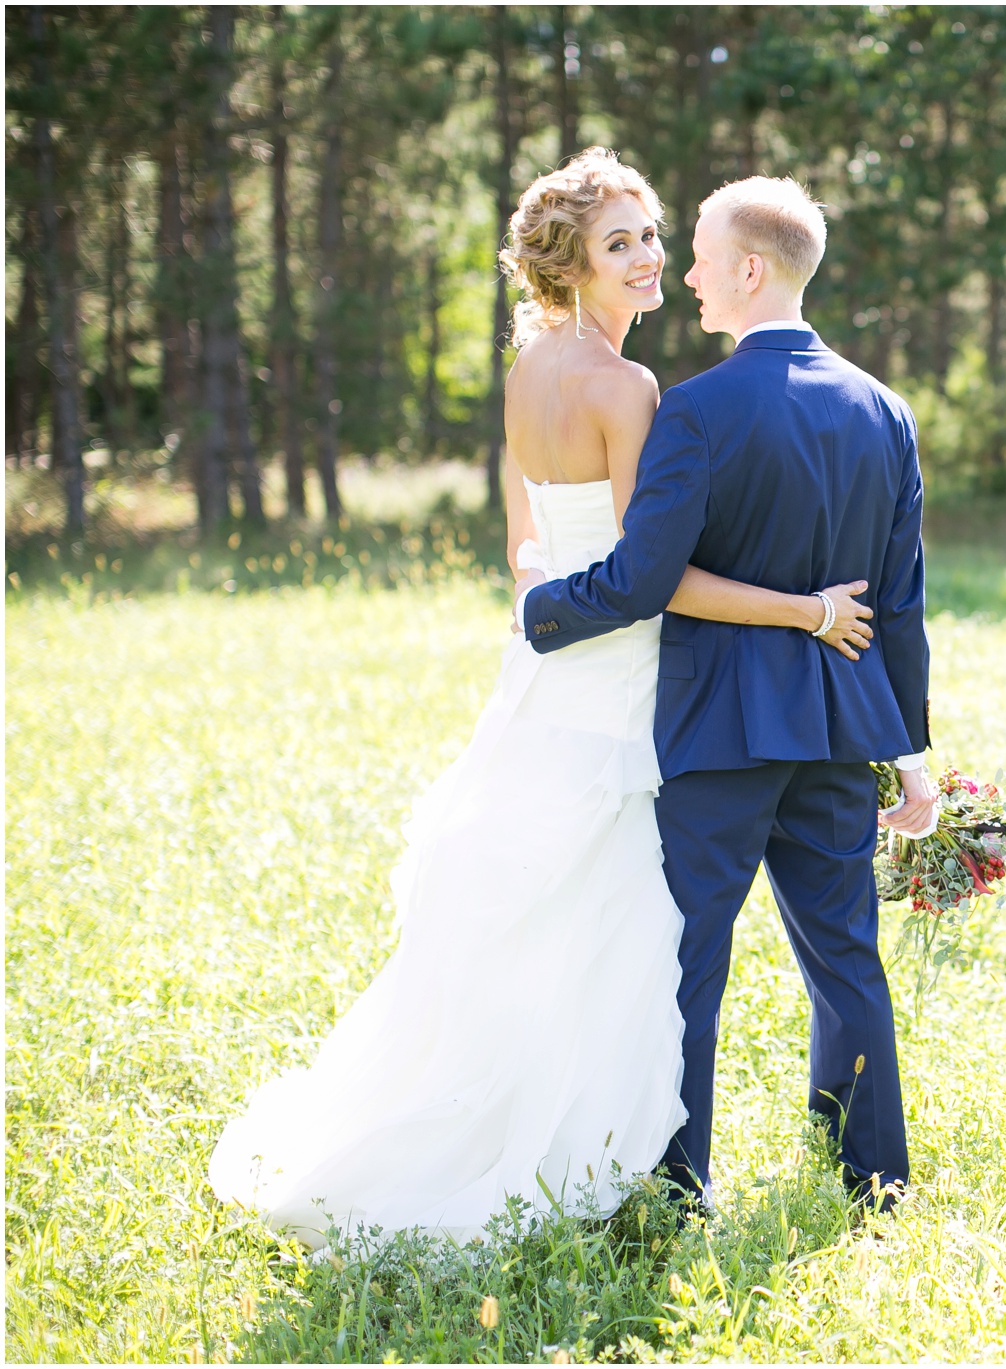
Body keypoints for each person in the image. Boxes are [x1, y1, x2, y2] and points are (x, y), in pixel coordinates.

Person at [207, 149, 875, 1250]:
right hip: (619, 681)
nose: (652, 255)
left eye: (655, 233)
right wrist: (805, 610)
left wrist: (536, 598)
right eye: (623, 243)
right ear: (568, 268)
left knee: (534, 916)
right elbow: (660, 576)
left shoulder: (527, 376)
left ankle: (524, 1132)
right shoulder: (627, 386)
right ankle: (598, 1167)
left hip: (547, 675)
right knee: (616, 926)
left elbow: (528, 546)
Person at [514, 173, 939, 1215]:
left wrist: (541, 610)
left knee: (686, 968)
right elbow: (903, 603)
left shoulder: (694, 409)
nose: (687, 272)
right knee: (845, 960)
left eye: (698, 254)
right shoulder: (884, 411)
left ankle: (675, 1188)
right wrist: (913, 755)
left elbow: (642, 578)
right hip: (839, 732)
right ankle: (871, 1180)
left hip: (714, 736)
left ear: (750, 268)